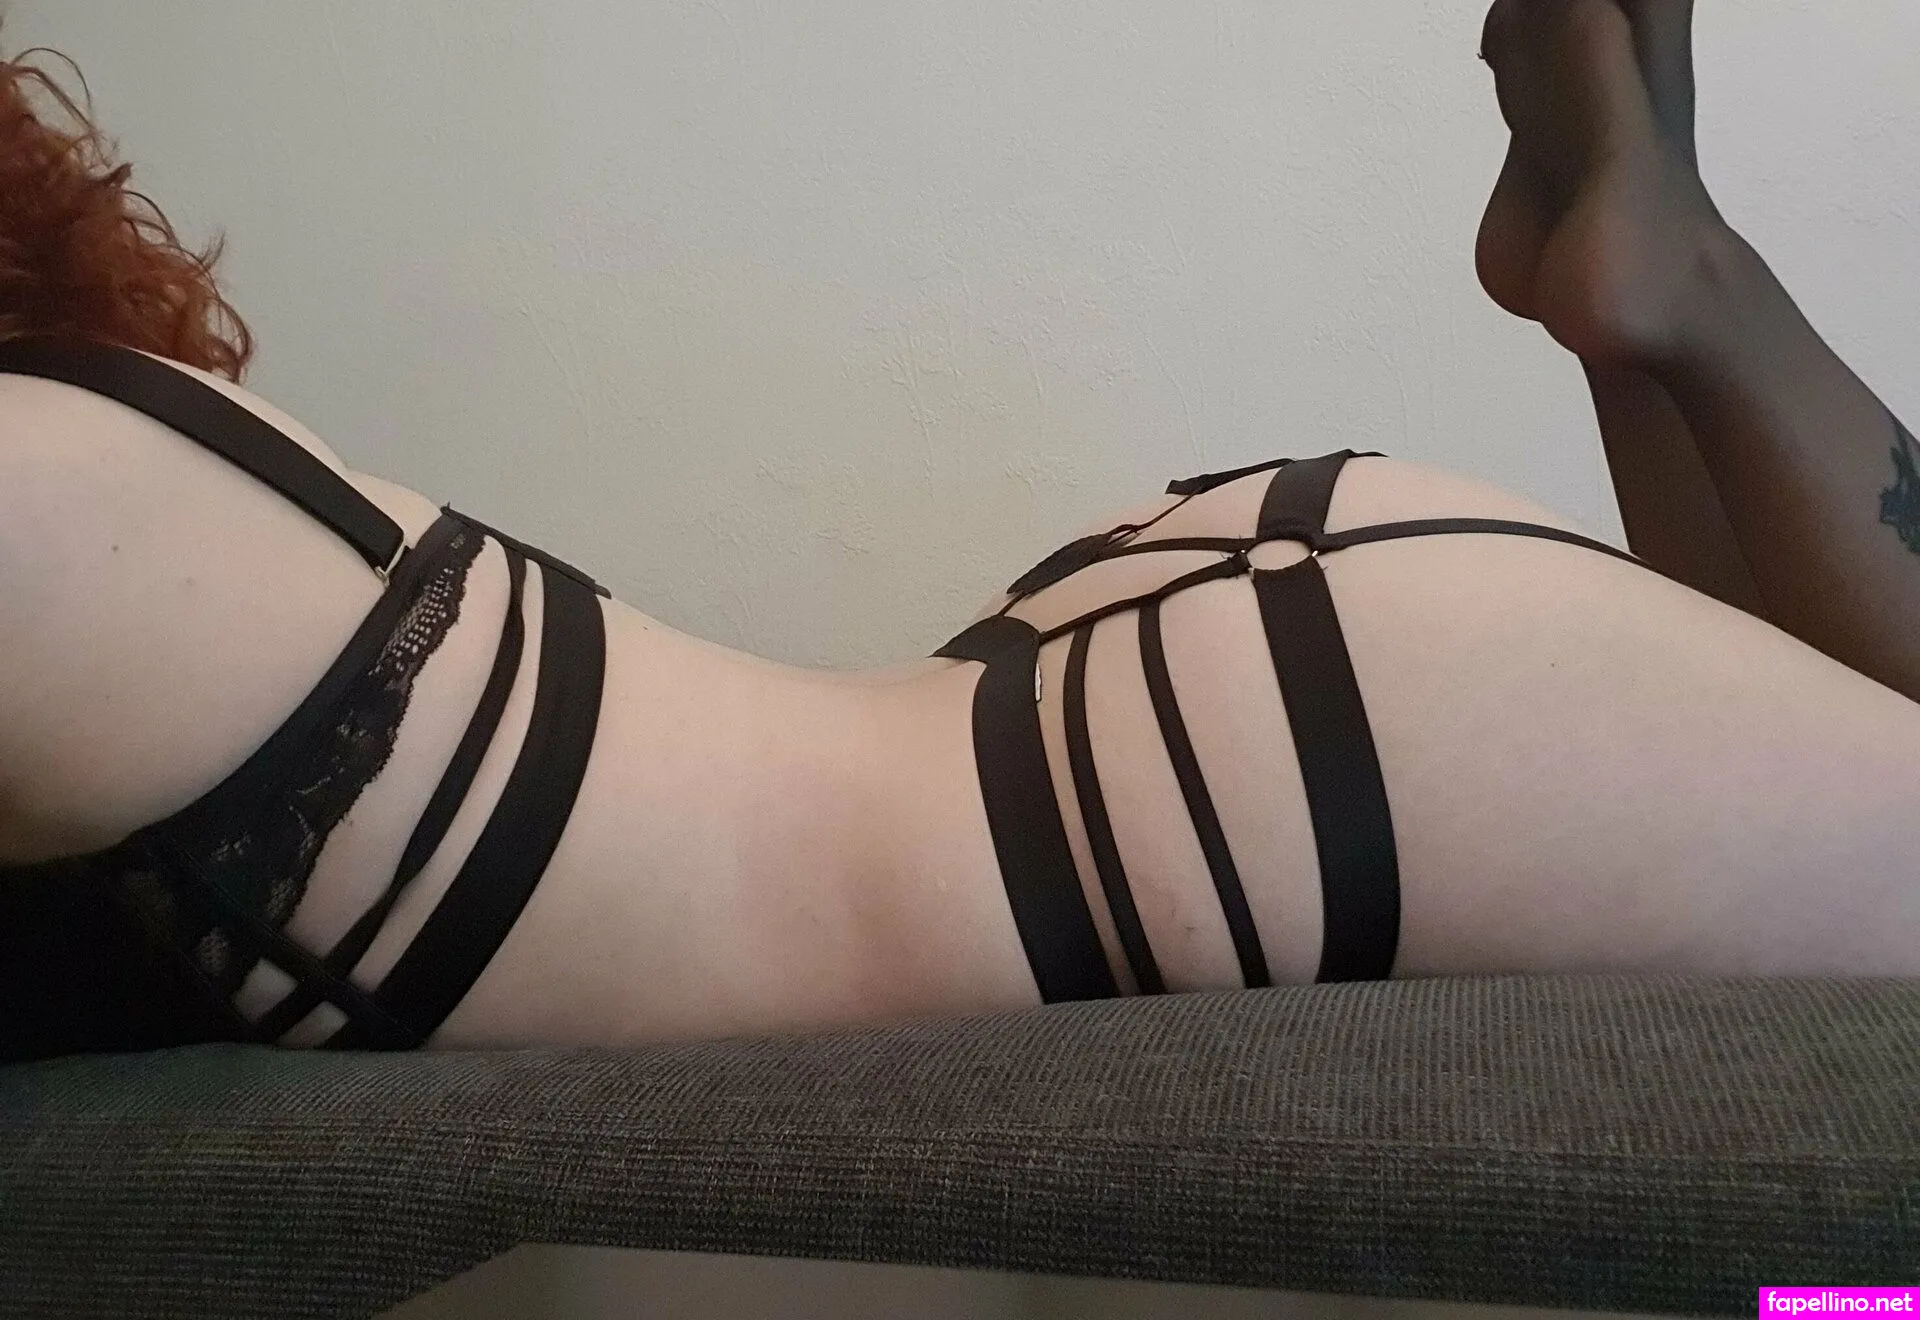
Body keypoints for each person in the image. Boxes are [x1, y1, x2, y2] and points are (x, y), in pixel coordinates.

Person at [2, 0, 1915, 1064]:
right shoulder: (96, 460)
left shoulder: (46, 482)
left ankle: (1686, 276)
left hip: (1202, 763)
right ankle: (1663, 283)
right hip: (1160, 708)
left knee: (1863, 1292)